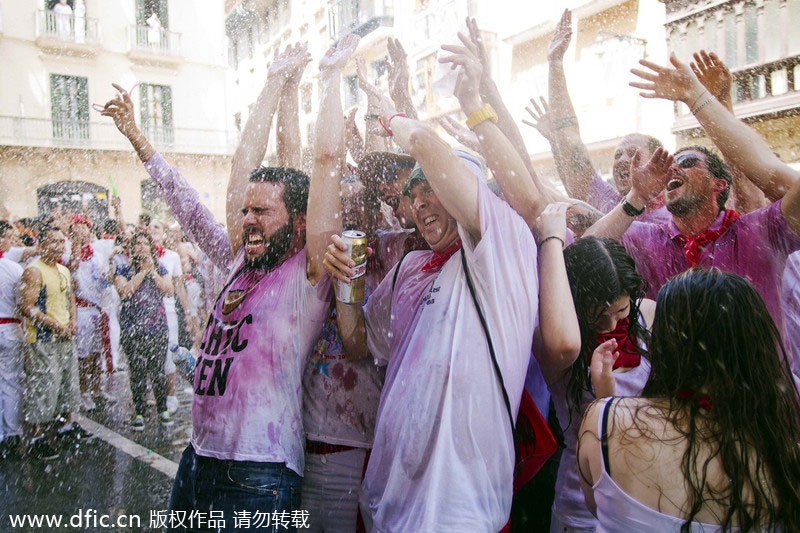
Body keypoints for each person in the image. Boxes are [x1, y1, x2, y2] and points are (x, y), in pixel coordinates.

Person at [101, 40, 340, 527]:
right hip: (198, 459)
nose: (247, 219)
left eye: (261, 212)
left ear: (298, 224)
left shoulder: (305, 274)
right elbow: (187, 202)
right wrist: (137, 138)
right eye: (245, 210)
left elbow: (315, 162)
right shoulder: (237, 260)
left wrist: (281, 83)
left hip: (260, 470)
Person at [322, 43, 543, 527]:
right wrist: (347, 283)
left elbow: (423, 142)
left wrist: (388, 112)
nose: (419, 204)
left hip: (457, 511)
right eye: (412, 195)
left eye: (432, 189)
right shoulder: (410, 266)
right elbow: (359, 343)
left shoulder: (498, 251)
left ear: (468, 191)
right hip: (387, 502)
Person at [585, 52, 800, 360]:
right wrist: (636, 197)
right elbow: (586, 253)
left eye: (686, 162)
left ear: (719, 184)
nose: (674, 169)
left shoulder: (759, 232)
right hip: (676, 404)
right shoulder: (649, 237)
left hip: (760, 403)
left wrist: (699, 97)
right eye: (673, 164)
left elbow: (768, 178)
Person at [578, 269, 800, 531]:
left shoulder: (605, 422)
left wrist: (608, 403)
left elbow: (600, 505)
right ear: (756, 347)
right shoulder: (783, 459)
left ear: (667, 344)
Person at [533, 201, 655, 532]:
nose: (610, 325)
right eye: (597, 315)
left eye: (620, 311)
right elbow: (564, 342)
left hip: (647, 501)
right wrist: (553, 241)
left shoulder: (650, 315)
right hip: (581, 509)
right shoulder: (558, 338)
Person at [539, 9, 670, 225]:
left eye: (633, 153)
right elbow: (573, 149)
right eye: (618, 155)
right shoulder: (609, 203)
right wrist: (554, 63)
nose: (622, 160)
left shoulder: (674, 220)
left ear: (659, 164)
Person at [19, 222, 91, 461]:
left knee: (67, 384)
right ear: (42, 244)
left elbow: (70, 298)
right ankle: (38, 437)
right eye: (54, 241)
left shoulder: (63, 270)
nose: (60, 246)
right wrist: (54, 325)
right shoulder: (34, 270)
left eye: (62, 242)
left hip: (65, 337)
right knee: (43, 387)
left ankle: (65, 426)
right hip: (43, 339)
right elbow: (26, 306)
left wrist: (73, 322)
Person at [113, 231, 172, 429]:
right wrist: (143, 272)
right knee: (137, 372)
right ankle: (139, 412)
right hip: (133, 329)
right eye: (137, 243)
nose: (141, 247)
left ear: (151, 247)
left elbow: (168, 290)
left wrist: (152, 272)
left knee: (158, 372)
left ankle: (162, 409)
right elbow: (124, 291)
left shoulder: (160, 267)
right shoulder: (123, 268)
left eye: (145, 244)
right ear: (132, 248)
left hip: (157, 328)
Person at [67, 214, 106, 411]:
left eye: (85, 227)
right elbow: (72, 266)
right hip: (80, 308)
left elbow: (102, 279)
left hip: (97, 308)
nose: (81, 230)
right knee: (83, 355)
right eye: (77, 227)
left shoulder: (96, 254)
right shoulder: (66, 249)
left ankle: (96, 388)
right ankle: (83, 392)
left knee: (96, 352)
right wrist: (75, 244)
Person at [0, 220, 25, 455]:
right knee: (10, 382)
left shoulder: (13, 267)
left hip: (8, 327)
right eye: (7, 236)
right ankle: (12, 433)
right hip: (9, 328)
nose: (10, 241)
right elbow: (23, 303)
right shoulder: (13, 269)